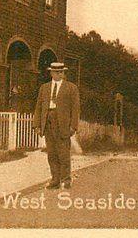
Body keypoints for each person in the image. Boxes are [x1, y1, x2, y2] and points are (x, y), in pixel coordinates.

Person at [33, 62, 80, 190]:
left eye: (61, 72)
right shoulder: (44, 88)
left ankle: (66, 180)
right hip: (48, 122)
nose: (58, 74)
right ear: (51, 73)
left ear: (64, 73)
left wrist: (73, 126)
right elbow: (38, 107)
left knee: (63, 153)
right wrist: (37, 125)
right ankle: (55, 180)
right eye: (55, 72)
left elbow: (75, 109)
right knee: (52, 153)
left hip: (63, 124)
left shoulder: (71, 88)